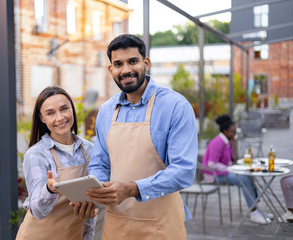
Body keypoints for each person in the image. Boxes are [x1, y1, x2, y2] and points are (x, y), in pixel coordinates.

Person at [72, 34, 198, 239]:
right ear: (110, 69)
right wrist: (96, 195)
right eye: (118, 64)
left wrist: (131, 189)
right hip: (116, 223)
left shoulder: (175, 106)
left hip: (161, 225)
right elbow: (100, 164)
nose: (126, 70)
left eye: (133, 61)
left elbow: (183, 171)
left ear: (146, 63)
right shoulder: (106, 111)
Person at [16, 86, 97, 240]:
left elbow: (90, 207)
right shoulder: (36, 155)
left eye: (64, 109)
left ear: (72, 110)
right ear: (42, 118)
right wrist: (49, 190)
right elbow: (37, 211)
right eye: (50, 113)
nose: (59, 118)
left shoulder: (90, 150)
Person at [202, 114, 273, 224]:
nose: (234, 134)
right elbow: (211, 164)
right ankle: (253, 213)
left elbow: (229, 161)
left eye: (235, 131)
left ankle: (255, 207)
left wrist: (233, 167)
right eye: (232, 131)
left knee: (249, 175)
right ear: (225, 131)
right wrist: (230, 168)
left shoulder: (228, 141)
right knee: (243, 179)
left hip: (223, 172)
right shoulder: (217, 142)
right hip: (213, 175)